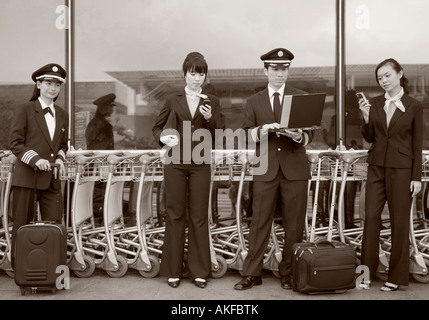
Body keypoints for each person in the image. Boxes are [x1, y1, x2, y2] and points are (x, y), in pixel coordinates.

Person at [234, 48, 315, 290]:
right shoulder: (254, 100)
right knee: (259, 222)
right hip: (265, 167)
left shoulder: (301, 96)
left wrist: (299, 134)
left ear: (288, 70)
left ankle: (289, 272)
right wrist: (264, 129)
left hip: (294, 167)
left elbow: (310, 133)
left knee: (294, 224)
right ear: (266, 70)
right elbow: (247, 132)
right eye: (275, 69)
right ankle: (252, 273)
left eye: (284, 69)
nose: (280, 73)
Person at [152, 52, 221, 289]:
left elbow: (220, 131)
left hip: (201, 163)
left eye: (201, 73)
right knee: (175, 214)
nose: (197, 77)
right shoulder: (173, 99)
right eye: (193, 73)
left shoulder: (211, 100)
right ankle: (173, 270)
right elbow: (157, 127)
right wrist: (164, 139)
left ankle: (199, 271)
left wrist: (210, 118)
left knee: (199, 216)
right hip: (175, 163)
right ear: (185, 74)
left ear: (205, 75)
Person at [359, 58, 423, 292]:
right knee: (371, 218)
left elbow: (417, 145)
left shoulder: (414, 105)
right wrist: (365, 117)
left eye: (387, 75)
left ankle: (396, 277)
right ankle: (364, 274)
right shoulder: (374, 104)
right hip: (376, 167)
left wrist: (416, 177)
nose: (383, 81)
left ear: (399, 74)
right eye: (380, 78)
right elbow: (369, 137)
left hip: (402, 169)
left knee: (399, 222)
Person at [8, 63, 69, 265]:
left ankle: (51, 268)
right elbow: (15, 143)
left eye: (57, 85)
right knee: (22, 226)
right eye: (48, 83)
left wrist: (60, 158)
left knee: (54, 226)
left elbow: (62, 145)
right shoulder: (24, 109)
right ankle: (21, 269)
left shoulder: (62, 114)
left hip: (51, 179)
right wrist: (36, 159)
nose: (53, 88)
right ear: (38, 84)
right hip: (27, 178)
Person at [85, 93, 116, 221]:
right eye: (111, 107)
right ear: (105, 108)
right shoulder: (103, 126)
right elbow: (102, 151)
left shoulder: (94, 124)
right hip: (100, 169)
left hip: (96, 169)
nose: (112, 110)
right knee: (100, 198)